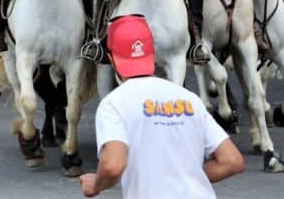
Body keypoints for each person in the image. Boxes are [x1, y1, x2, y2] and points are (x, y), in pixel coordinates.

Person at [78, 15, 244, 198]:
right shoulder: (190, 99)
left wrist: (96, 184)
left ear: (111, 58)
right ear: (152, 53)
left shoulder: (113, 104)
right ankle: (197, 43)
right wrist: (185, 179)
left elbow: (112, 165)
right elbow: (231, 160)